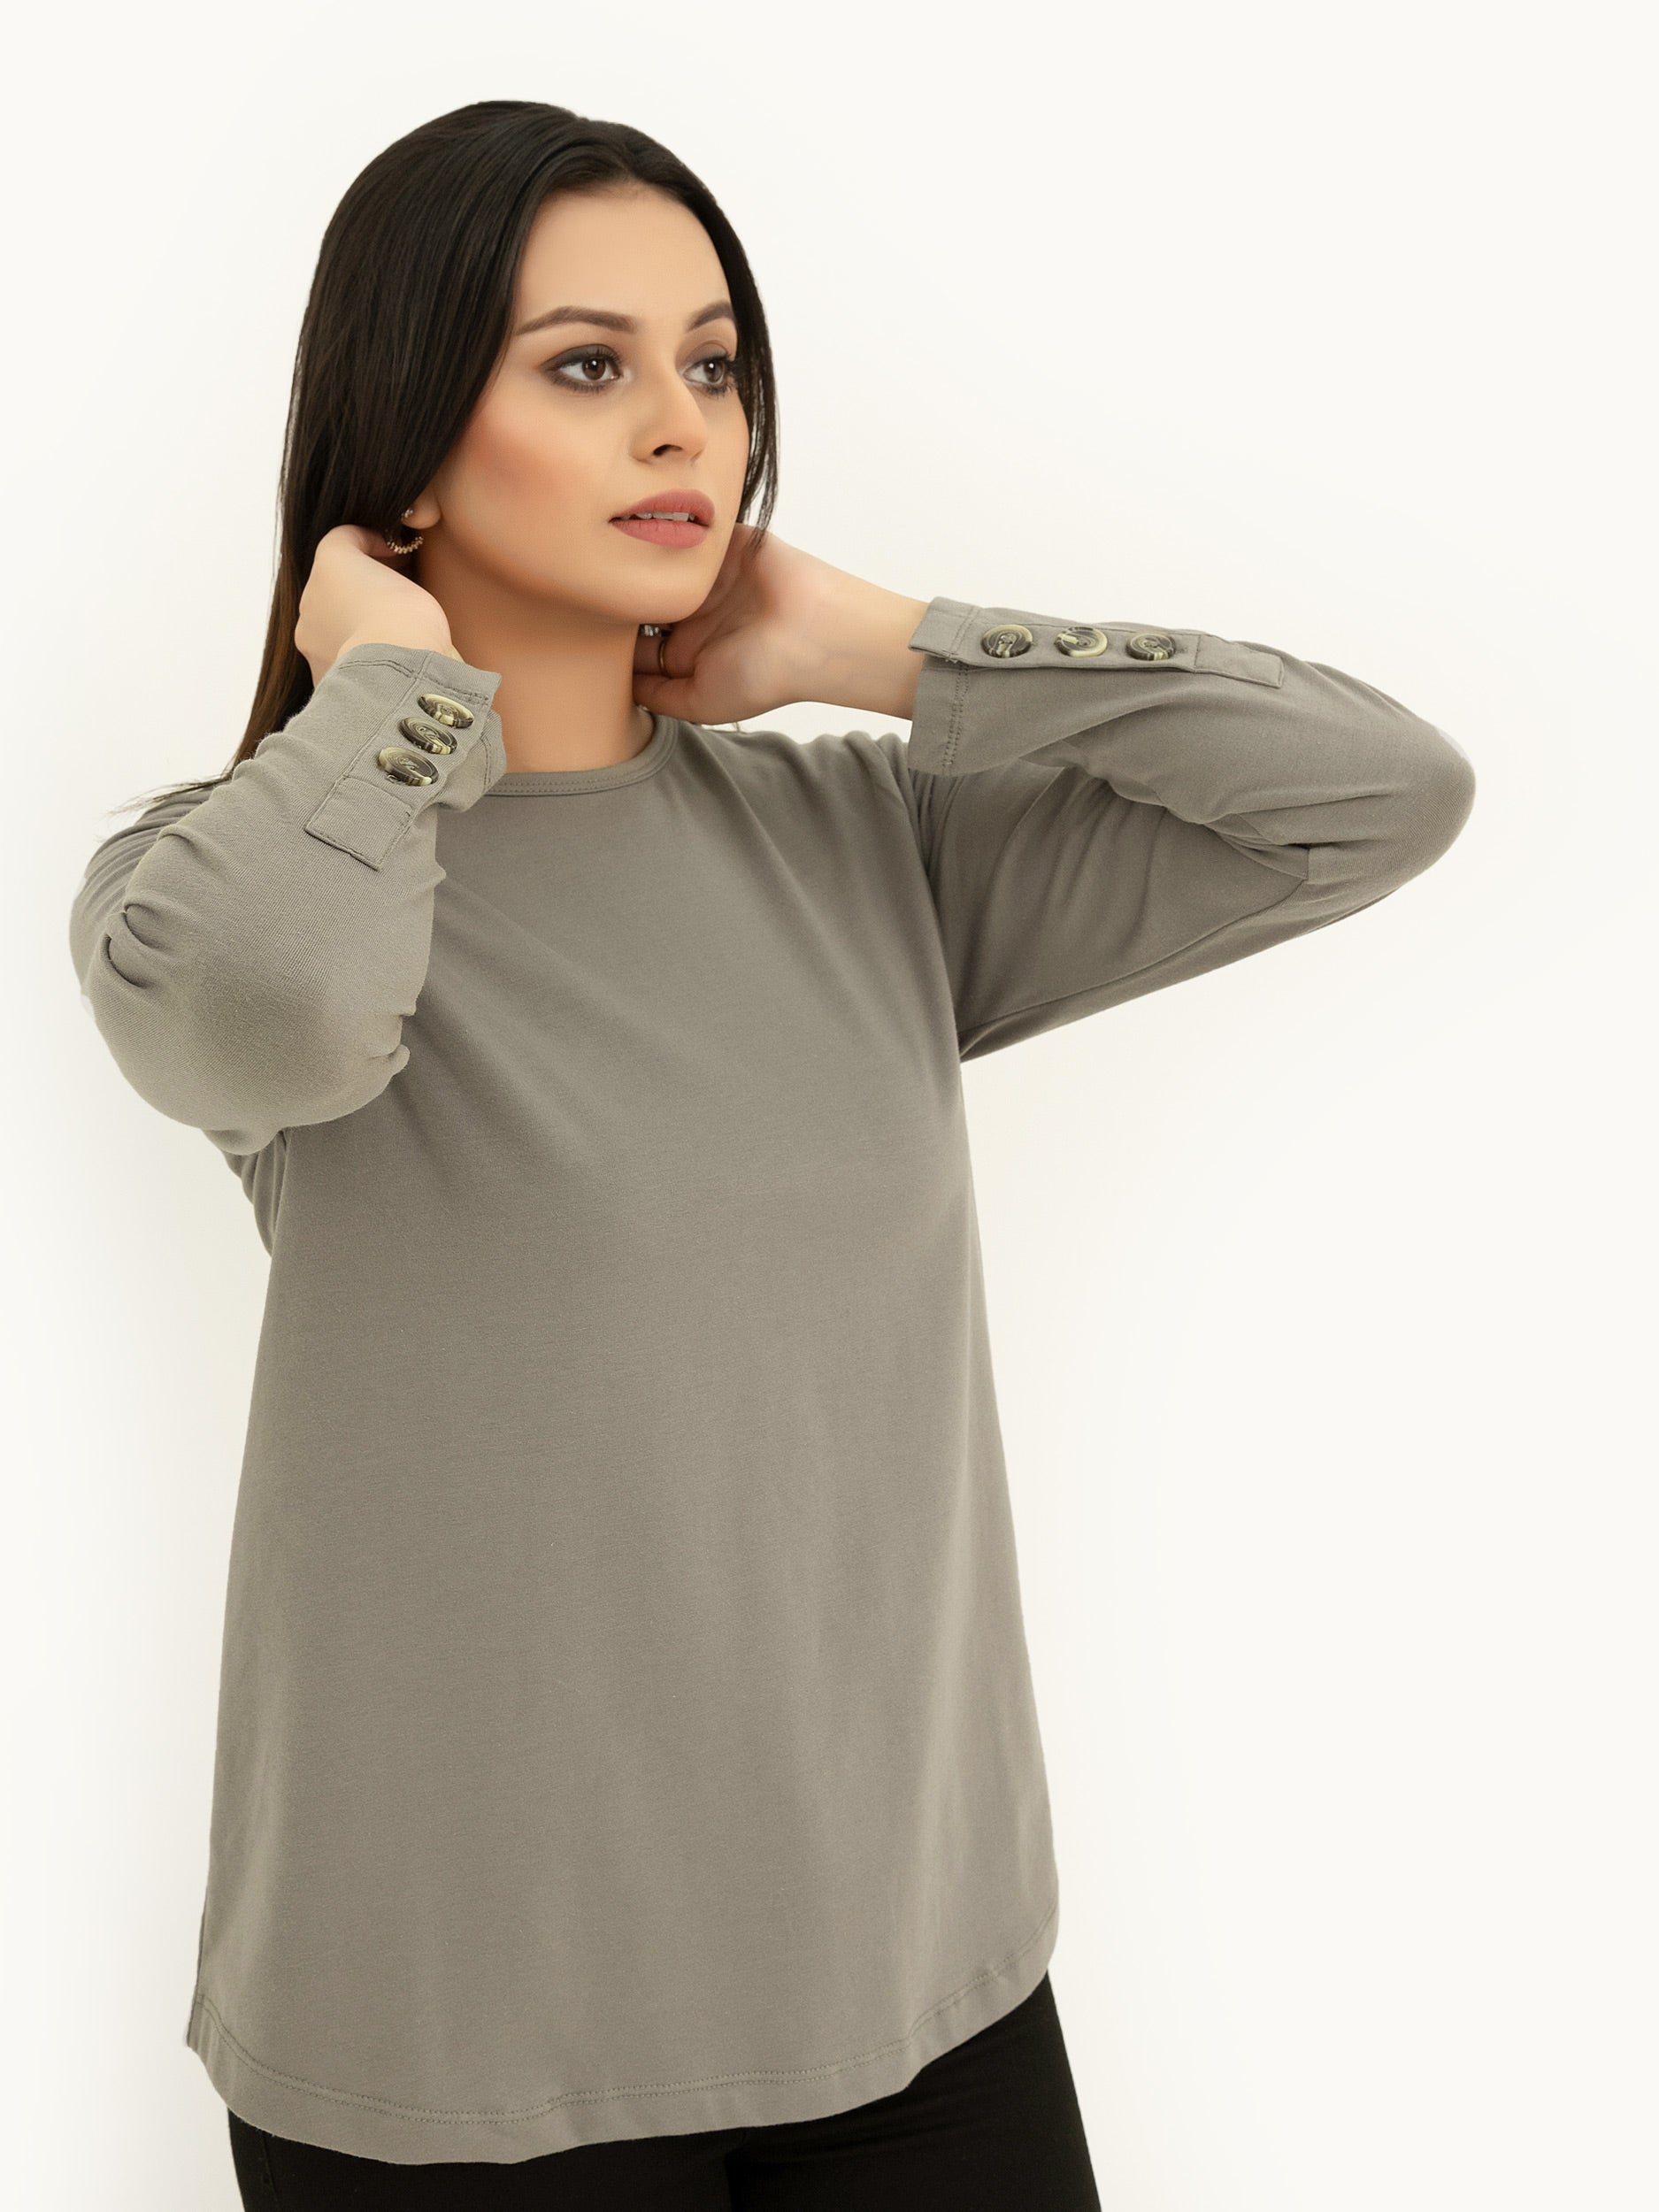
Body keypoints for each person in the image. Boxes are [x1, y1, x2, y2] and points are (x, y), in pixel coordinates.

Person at [66, 99, 1475, 2209]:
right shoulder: (249, 876)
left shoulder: (864, 849)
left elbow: (1376, 791)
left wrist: (873, 649)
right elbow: (256, 1013)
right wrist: (389, 693)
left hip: (919, 1993)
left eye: (712, 363)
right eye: (584, 363)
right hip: (461, 2047)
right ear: (408, 443)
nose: (679, 425)